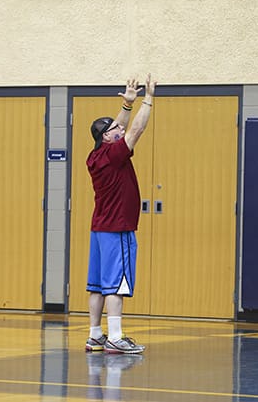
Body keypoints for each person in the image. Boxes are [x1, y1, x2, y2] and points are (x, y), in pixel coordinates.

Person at [84, 74, 156, 354]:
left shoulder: (96, 156)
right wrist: (147, 100)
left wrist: (127, 104)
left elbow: (121, 127)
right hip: (117, 229)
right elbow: (135, 131)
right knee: (117, 283)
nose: (120, 128)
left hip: (100, 229)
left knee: (97, 285)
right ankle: (115, 336)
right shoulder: (115, 154)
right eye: (114, 128)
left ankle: (95, 335)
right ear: (107, 137)